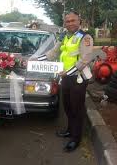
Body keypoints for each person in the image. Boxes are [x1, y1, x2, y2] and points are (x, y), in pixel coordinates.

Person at [35, 10, 93, 152]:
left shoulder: (85, 37)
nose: (70, 23)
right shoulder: (65, 37)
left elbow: (85, 60)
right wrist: (35, 60)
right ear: (64, 23)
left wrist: (68, 72)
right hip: (65, 77)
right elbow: (53, 53)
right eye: (68, 21)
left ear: (79, 21)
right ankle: (69, 130)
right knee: (67, 106)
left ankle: (75, 138)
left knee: (76, 108)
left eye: (73, 20)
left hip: (78, 78)